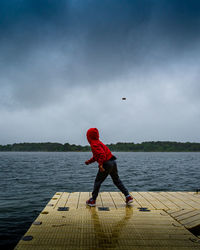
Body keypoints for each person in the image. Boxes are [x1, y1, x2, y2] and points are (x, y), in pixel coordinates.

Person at [85, 128, 133, 207]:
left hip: (106, 163)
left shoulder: (94, 144)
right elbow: (96, 156)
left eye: (87, 136)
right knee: (116, 180)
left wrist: (100, 165)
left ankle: (92, 200)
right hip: (113, 162)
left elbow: (102, 155)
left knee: (98, 181)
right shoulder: (99, 143)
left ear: (89, 137)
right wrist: (89, 161)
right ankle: (128, 196)